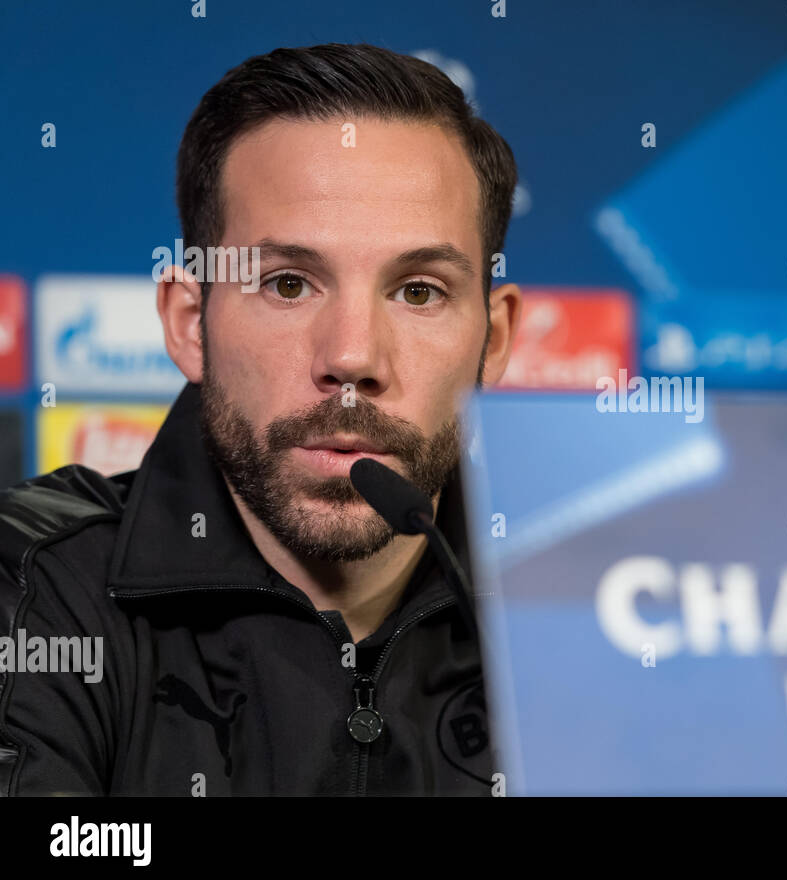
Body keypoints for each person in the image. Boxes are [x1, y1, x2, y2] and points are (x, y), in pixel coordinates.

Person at [0, 43, 521, 796]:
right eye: (287, 283)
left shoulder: (605, 610)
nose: (351, 356)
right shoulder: (32, 587)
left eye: (417, 292)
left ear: (495, 338)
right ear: (189, 323)